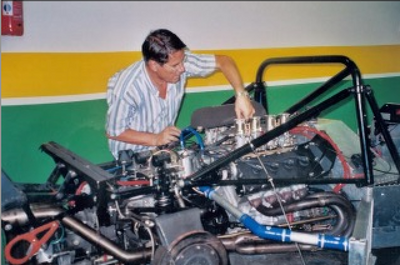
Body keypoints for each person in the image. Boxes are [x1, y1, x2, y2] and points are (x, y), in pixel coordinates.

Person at [106, 28, 255, 159]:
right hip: (132, 157)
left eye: (182, 61)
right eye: (175, 66)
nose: (182, 68)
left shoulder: (177, 61)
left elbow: (224, 61)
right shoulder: (129, 87)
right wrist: (155, 139)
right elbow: (114, 131)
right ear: (154, 65)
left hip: (163, 151)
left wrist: (241, 95)